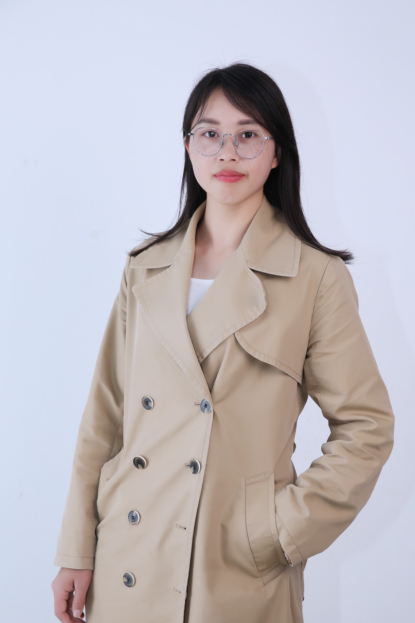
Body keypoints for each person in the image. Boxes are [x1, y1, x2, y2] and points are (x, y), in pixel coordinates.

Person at [51, 62, 394, 623]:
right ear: (188, 146)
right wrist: (77, 549)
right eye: (210, 133)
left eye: (248, 134)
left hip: (232, 565)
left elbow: (367, 426)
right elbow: (105, 418)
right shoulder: (145, 267)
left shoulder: (314, 276)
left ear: (277, 152)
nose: (227, 152)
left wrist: (280, 530)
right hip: (127, 556)